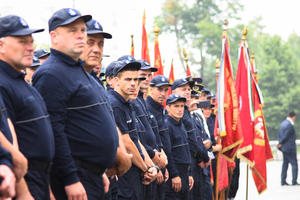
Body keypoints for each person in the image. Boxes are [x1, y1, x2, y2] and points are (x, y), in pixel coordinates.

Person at [33, 8, 120, 199]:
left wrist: (99, 171)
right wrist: (70, 178)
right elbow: (54, 131)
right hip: (75, 177)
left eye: (82, 30)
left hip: (92, 175)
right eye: (73, 31)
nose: (80, 35)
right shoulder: (51, 73)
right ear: (54, 37)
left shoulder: (79, 71)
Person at [0, 14, 56, 199]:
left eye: (31, 41)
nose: (31, 47)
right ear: (1, 45)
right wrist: (24, 192)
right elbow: (10, 141)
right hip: (21, 180)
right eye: (22, 41)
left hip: (40, 179)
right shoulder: (3, 83)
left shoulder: (20, 82)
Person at [107, 59, 157, 200]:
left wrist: (151, 167)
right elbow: (127, 143)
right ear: (116, 81)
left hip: (135, 174)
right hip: (124, 176)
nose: (134, 84)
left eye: (136, 79)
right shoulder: (115, 104)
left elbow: (136, 140)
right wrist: (146, 169)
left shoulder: (126, 103)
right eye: (128, 79)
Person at [165, 94, 193, 200]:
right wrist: (174, 175)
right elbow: (168, 152)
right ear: (168, 107)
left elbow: (186, 150)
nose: (180, 109)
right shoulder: (167, 125)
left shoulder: (181, 124)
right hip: (176, 173)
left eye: (182, 106)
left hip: (185, 173)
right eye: (176, 106)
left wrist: (189, 173)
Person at [278, 111, 299, 185]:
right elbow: (286, 136)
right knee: (294, 164)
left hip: (284, 148)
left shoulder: (283, 123)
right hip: (290, 148)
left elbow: (280, 134)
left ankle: (283, 180)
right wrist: (281, 142)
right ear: (293, 117)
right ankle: (294, 180)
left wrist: (280, 143)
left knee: (285, 164)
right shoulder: (289, 125)